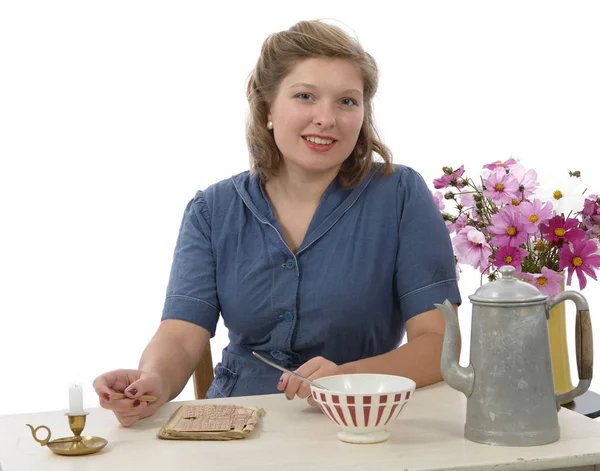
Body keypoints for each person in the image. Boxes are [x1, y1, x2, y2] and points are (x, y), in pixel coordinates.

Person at [93, 19, 461, 427]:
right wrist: (152, 383)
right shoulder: (212, 210)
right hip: (233, 425)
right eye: (305, 96)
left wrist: (347, 380)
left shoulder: (400, 194)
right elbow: (181, 335)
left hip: (360, 421)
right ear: (268, 108)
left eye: (347, 101)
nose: (326, 118)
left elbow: (439, 344)